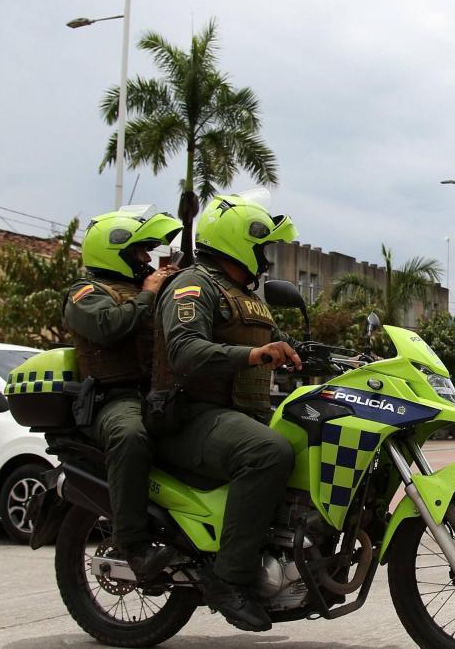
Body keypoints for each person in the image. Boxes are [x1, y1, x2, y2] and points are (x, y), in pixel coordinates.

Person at [150, 192, 301, 631]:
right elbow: (184, 350)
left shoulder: (245, 297)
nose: (265, 258)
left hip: (237, 416)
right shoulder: (193, 285)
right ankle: (229, 579)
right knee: (268, 453)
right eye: (261, 247)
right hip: (190, 416)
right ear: (238, 241)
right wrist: (254, 356)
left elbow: (277, 343)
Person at [63, 206, 183, 582]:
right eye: (139, 252)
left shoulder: (148, 293)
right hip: (115, 399)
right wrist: (148, 295)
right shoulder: (86, 293)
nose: (146, 259)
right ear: (112, 251)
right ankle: (133, 545)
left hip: (158, 395)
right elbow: (108, 326)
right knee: (130, 435)